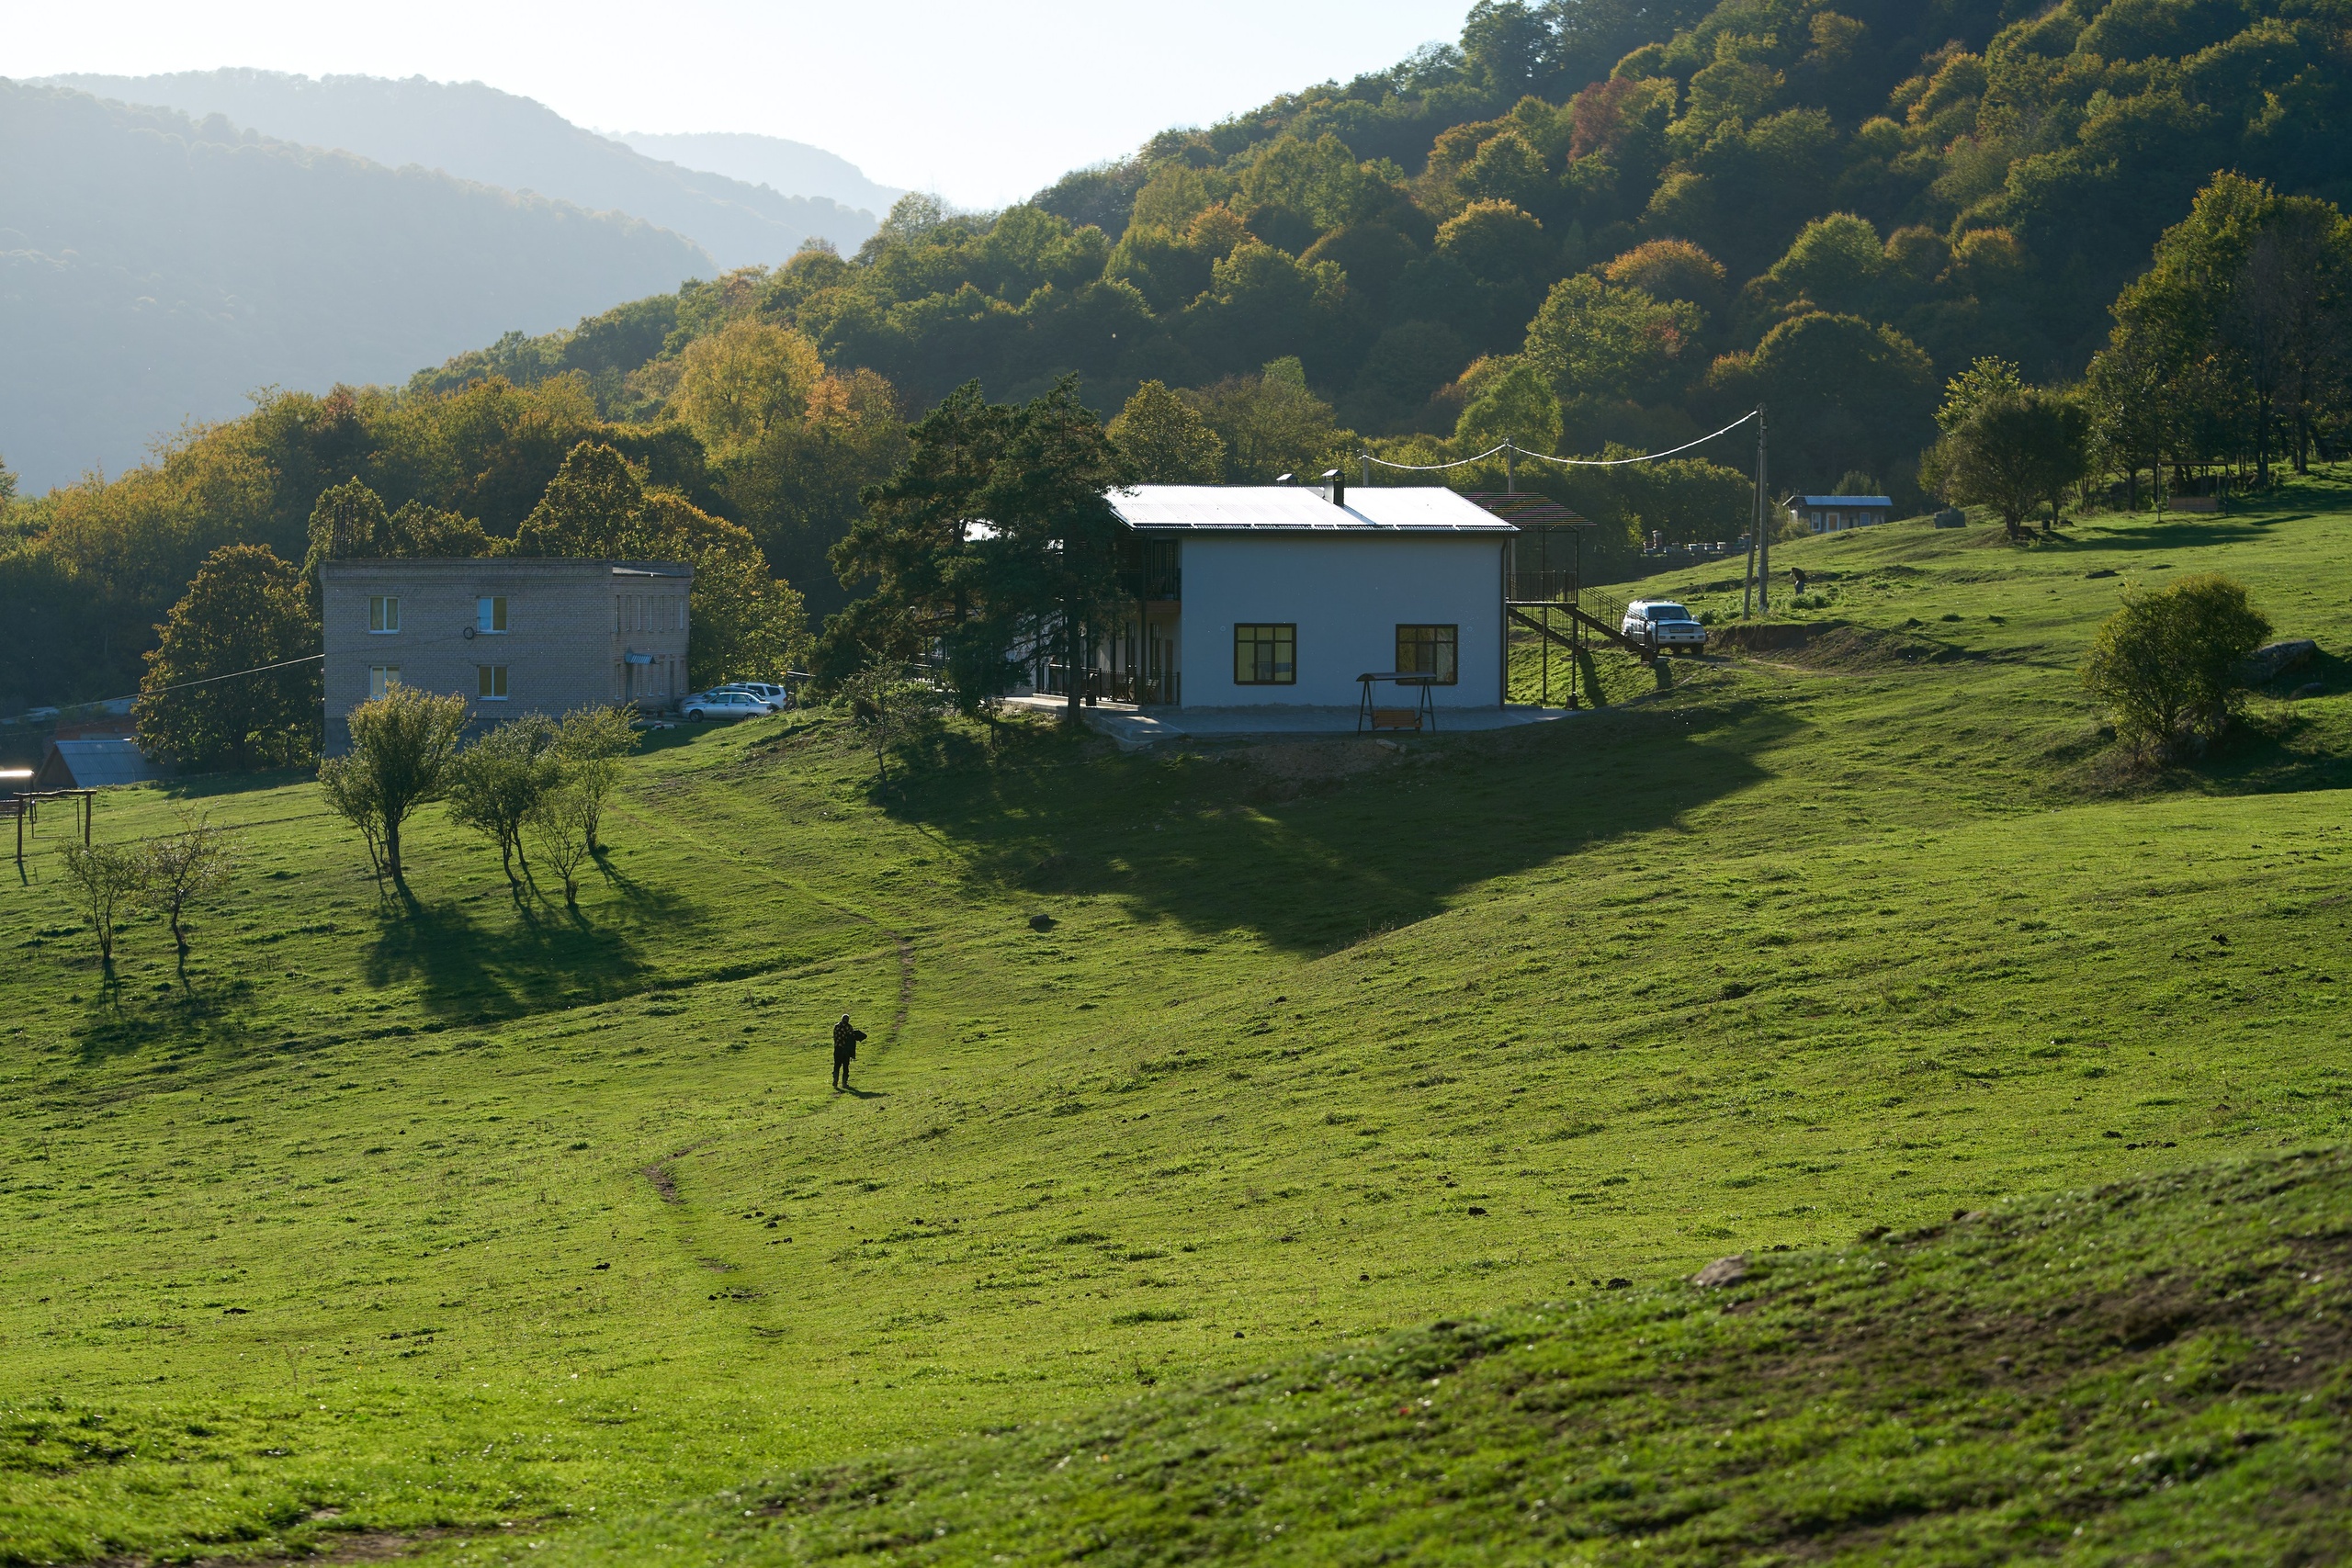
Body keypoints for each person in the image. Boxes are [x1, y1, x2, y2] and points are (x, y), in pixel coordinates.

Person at [831, 1013, 865, 1090]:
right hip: (845, 1050)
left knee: (837, 1066)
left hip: (837, 1049)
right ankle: (844, 1083)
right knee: (845, 1067)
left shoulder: (836, 1026)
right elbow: (851, 1037)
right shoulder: (848, 1027)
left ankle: (835, 1080)